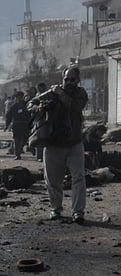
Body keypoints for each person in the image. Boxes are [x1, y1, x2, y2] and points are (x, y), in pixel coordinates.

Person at [29, 66, 89, 224]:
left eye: (72, 79)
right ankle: (56, 208)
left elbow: (75, 107)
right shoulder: (51, 93)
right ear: (62, 79)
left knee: (78, 178)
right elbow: (31, 103)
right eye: (66, 79)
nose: (69, 82)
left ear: (78, 80)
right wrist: (40, 107)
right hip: (53, 144)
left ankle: (78, 212)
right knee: (53, 180)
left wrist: (60, 93)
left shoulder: (80, 93)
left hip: (74, 143)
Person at [4, 92, 32, 160]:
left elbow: (31, 114)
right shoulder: (14, 106)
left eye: (20, 96)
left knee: (25, 140)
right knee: (16, 140)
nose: (19, 98)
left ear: (22, 97)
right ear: (16, 98)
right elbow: (9, 116)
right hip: (16, 125)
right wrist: (7, 125)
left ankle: (20, 149)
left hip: (25, 125)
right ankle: (17, 155)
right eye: (18, 97)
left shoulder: (27, 104)